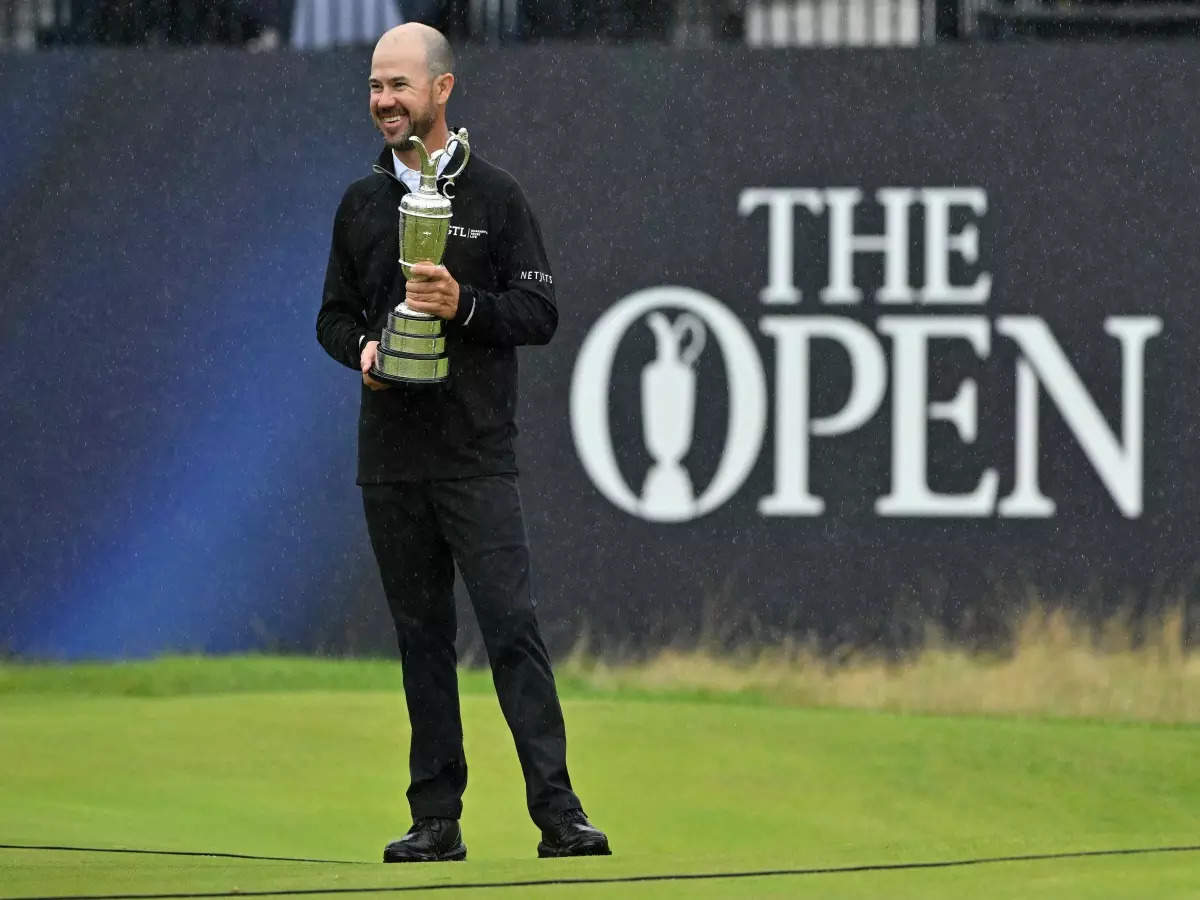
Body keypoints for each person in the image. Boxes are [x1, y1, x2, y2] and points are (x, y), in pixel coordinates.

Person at [315, 23, 611, 863]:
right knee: (421, 639)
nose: (384, 102)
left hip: (476, 455)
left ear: (442, 90)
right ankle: (435, 821)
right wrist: (365, 351)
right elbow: (331, 318)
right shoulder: (360, 203)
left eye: (400, 86)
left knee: (512, 629)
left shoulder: (498, 197)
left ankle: (558, 814)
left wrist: (464, 306)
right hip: (392, 461)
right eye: (376, 87)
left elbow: (541, 313)